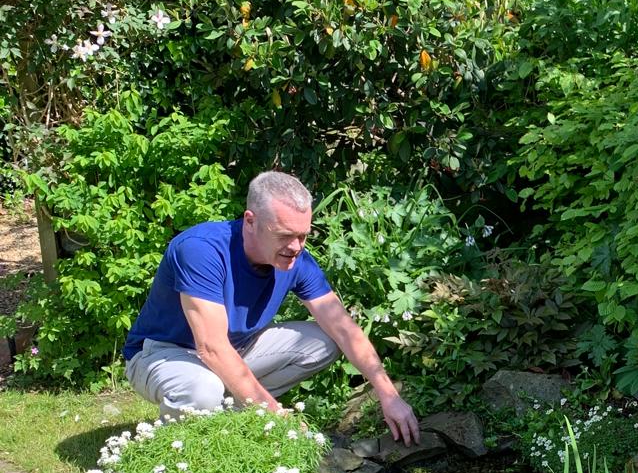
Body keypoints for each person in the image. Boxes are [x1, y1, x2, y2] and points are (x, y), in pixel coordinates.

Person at [123, 171, 419, 443]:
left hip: (235, 350)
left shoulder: (296, 260)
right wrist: (274, 413)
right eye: (284, 235)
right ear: (250, 221)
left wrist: (388, 393)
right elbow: (211, 347)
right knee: (202, 389)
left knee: (324, 341)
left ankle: (238, 417)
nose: (296, 246)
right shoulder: (201, 250)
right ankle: (175, 454)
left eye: (303, 235)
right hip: (161, 353)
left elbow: (343, 327)